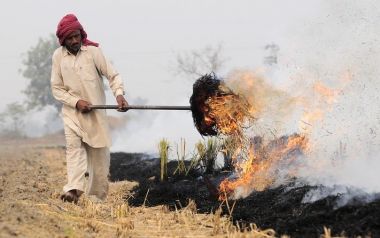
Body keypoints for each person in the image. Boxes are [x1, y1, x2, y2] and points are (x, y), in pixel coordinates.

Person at [51, 14, 128, 203]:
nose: (75, 40)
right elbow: (57, 89)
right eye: (70, 38)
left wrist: (119, 95)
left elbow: (113, 75)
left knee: (100, 160)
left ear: (81, 34)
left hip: (96, 116)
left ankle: (96, 199)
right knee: (74, 149)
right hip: (73, 114)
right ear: (63, 40)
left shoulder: (93, 52)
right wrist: (77, 102)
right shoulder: (58, 57)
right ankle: (73, 190)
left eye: (77, 36)